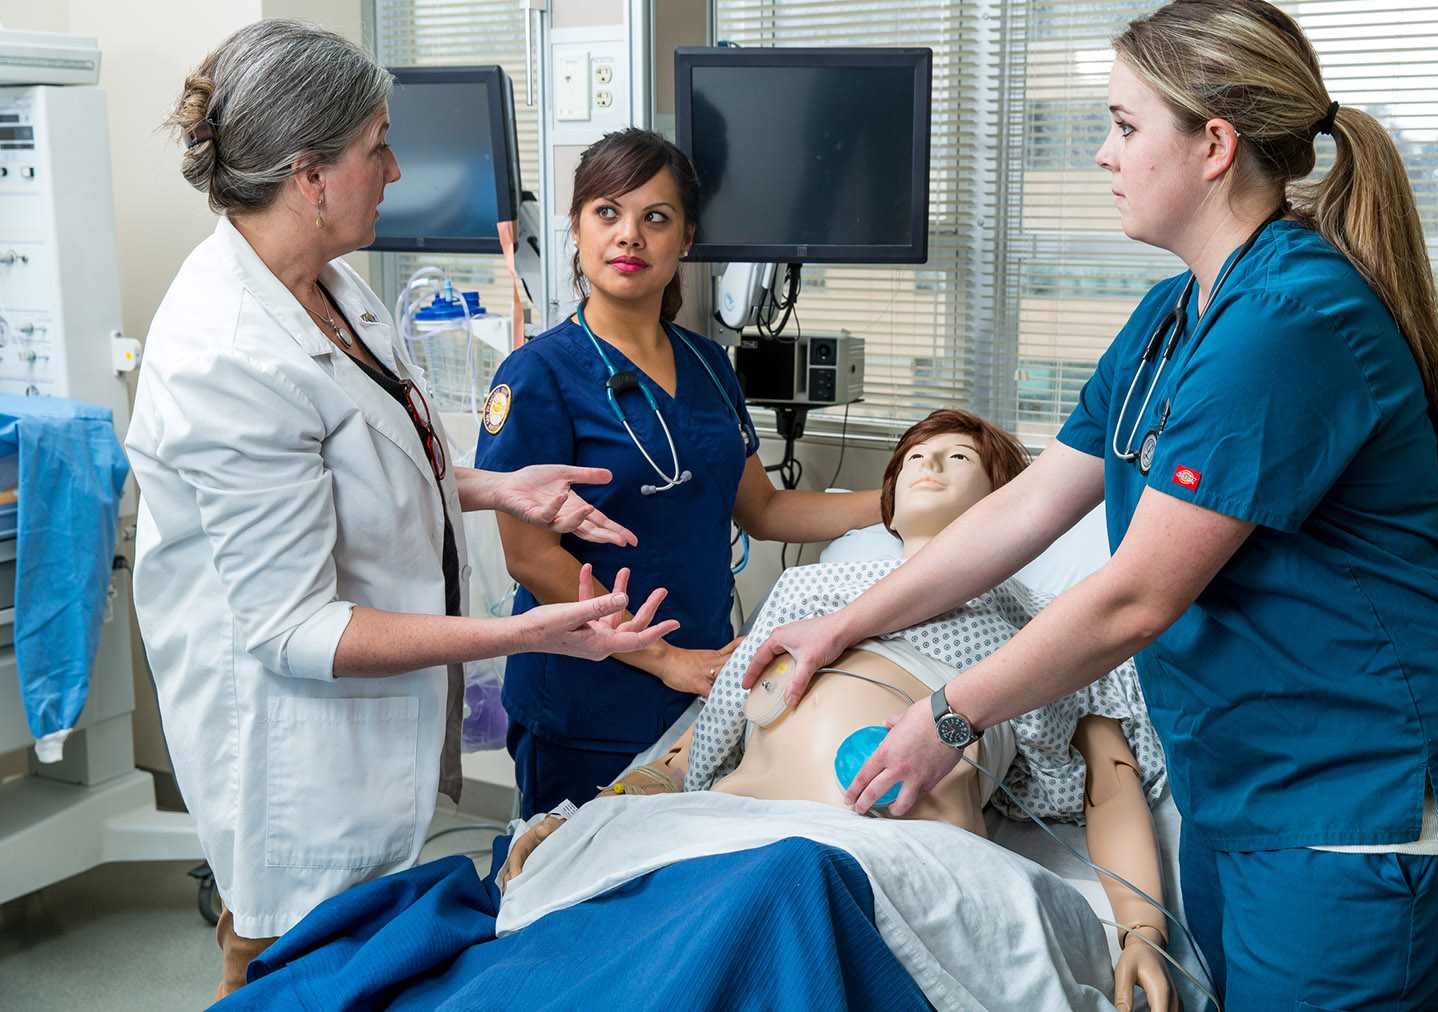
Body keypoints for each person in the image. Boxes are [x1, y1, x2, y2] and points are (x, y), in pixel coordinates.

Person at [744, 3, 1438, 1010]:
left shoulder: (1289, 320)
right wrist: (840, 622)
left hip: (1358, 794)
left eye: (1122, 125)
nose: (1103, 155)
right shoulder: (1172, 316)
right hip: (1249, 786)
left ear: (1214, 145)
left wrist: (949, 717)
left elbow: (1134, 598)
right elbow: (1024, 512)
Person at [127, 21, 676, 998]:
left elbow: (366, 470)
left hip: (361, 722)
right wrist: (521, 633)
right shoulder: (228, 351)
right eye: (376, 144)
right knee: (288, 956)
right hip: (291, 737)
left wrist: (500, 486)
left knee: (357, 938)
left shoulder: (334, 289)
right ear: (308, 174)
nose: (393, 167)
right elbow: (292, 626)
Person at [508, 410, 1177, 1012]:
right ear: (886, 508)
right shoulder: (806, 592)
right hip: (717, 833)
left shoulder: (1049, 629)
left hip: (878, 861)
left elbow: (1111, 786)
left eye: (958, 458)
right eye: (914, 457)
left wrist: (1142, 931)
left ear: (1012, 503)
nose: (929, 464)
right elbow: (692, 754)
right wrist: (603, 807)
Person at [474, 127, 881, 819]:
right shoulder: (538, 375)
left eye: (654, 218)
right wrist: (665, 660)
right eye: (607, 213)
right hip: (588, 696)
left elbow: (762, 510)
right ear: (576, 228)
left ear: (686, 238)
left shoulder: (708, 365)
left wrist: (895, 501)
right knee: (568, 892)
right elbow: (529, 557)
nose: (629, 236)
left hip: (706, 678)